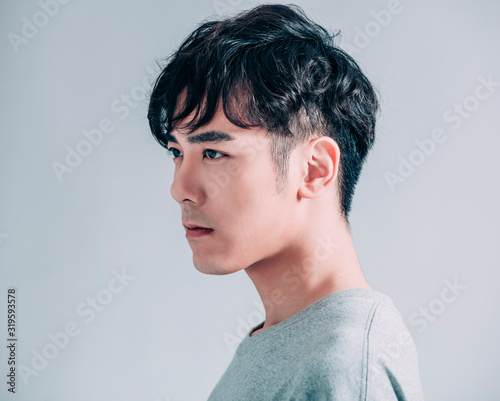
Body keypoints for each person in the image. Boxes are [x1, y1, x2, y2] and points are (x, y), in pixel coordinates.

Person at [147, 3, 424, 400]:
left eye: (213, 153)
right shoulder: (285, 337)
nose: (181, 189)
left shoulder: (343, 368)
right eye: (178, 152)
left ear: (314, 169)